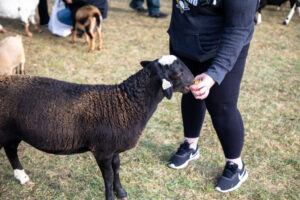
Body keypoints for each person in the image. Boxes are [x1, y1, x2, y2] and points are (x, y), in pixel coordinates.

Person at [167, 0, 258, 193]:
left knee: (222, 105)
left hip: (223, 46)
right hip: (184, 41)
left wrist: (215, 73)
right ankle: (191, 145)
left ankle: (236, 165)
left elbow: (238, 29)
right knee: (191, 92)